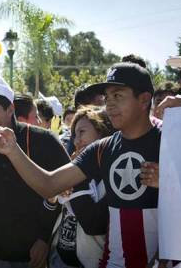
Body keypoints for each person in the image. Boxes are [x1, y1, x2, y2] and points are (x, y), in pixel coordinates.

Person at [0, 63, 161, 268]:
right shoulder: (102, 149)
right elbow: (49, 184)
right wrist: (12, 150)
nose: (109, 105)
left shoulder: (171, 143)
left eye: (118, 96)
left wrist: (171, 184)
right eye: (107, 98)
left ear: (144, 100)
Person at [0, 76, 69, 268]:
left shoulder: (44, 140)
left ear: (10, 109)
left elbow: (64, 195)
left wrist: (44, 239)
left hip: (44, 254)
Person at [51, 106, 114, 268]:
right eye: (74, 134)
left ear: (102, 133)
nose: (76, 140)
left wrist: (76, 180)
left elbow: (93, 225)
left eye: (82, 132)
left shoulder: (112, 176)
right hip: (59, 259)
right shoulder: (71, 169)